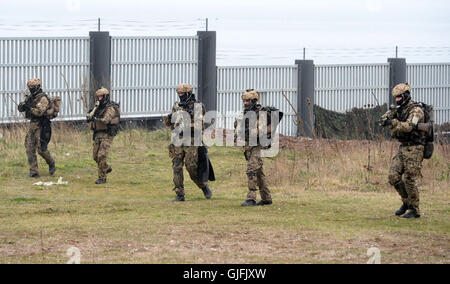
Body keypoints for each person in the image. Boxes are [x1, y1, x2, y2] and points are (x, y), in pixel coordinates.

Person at [163, 83, 214, 202]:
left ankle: (203, 186)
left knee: (191, 167)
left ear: (188, 93)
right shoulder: (177, 106)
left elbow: (199, 125)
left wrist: (185, 124)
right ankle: (179, 194)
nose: (180, 96)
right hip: (178, 140)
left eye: (182, 94)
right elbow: (169, 123)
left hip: (192, 140)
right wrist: (171, 118)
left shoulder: (197, 106)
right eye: (179, 94)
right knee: (176, 166)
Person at [386, 83, 425, 219]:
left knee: (409, 178)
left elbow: (409, 126)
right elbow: (388, 118)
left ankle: (415, 210)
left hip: (415, 148)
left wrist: (392, 122)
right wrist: (386, 119)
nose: (397, 100)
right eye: (396, 98)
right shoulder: (400, 110)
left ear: (406, 95)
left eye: (399, 97)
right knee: (393, 176)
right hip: (403, 147)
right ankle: (406, 203)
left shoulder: (416, 110)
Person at [234, 89, 275, 206]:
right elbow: (237, 125)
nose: (245, 103)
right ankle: (267, 198)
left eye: (247, 101)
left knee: (251, 170)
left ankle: (251, 198)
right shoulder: (244, 113)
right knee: (259, 173)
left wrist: (250, 131)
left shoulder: (262, 113)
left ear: (254, 100)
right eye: (244, 101)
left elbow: (263, 130)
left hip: (259, 145)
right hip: (249, 146)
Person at [18, 78, 55, 178]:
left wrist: (29, 108)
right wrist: (23, 106)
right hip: (32, 125)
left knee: (41, 149)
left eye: (32, 87)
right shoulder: (31, 97)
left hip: (42, 126)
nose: (30, 89)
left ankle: (51, 163)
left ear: (37, 87)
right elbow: (21, 108)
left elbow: (39, 112)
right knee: (29, 147)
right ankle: (33, 171)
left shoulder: (43, 98)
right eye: (29, 87)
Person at [87, 88, 120, 184]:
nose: (99, 98)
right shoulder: (97, 107)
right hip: (98, 133)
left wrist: (96, 119)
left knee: (102, 155)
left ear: (105, 97)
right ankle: (106, 167)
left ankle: (102, 178)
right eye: (98, 97)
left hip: (107, 134)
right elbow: (91, 115)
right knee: (95, 156)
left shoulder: (110, 108)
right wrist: (89, 117)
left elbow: (106, 120)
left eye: (101, 97)